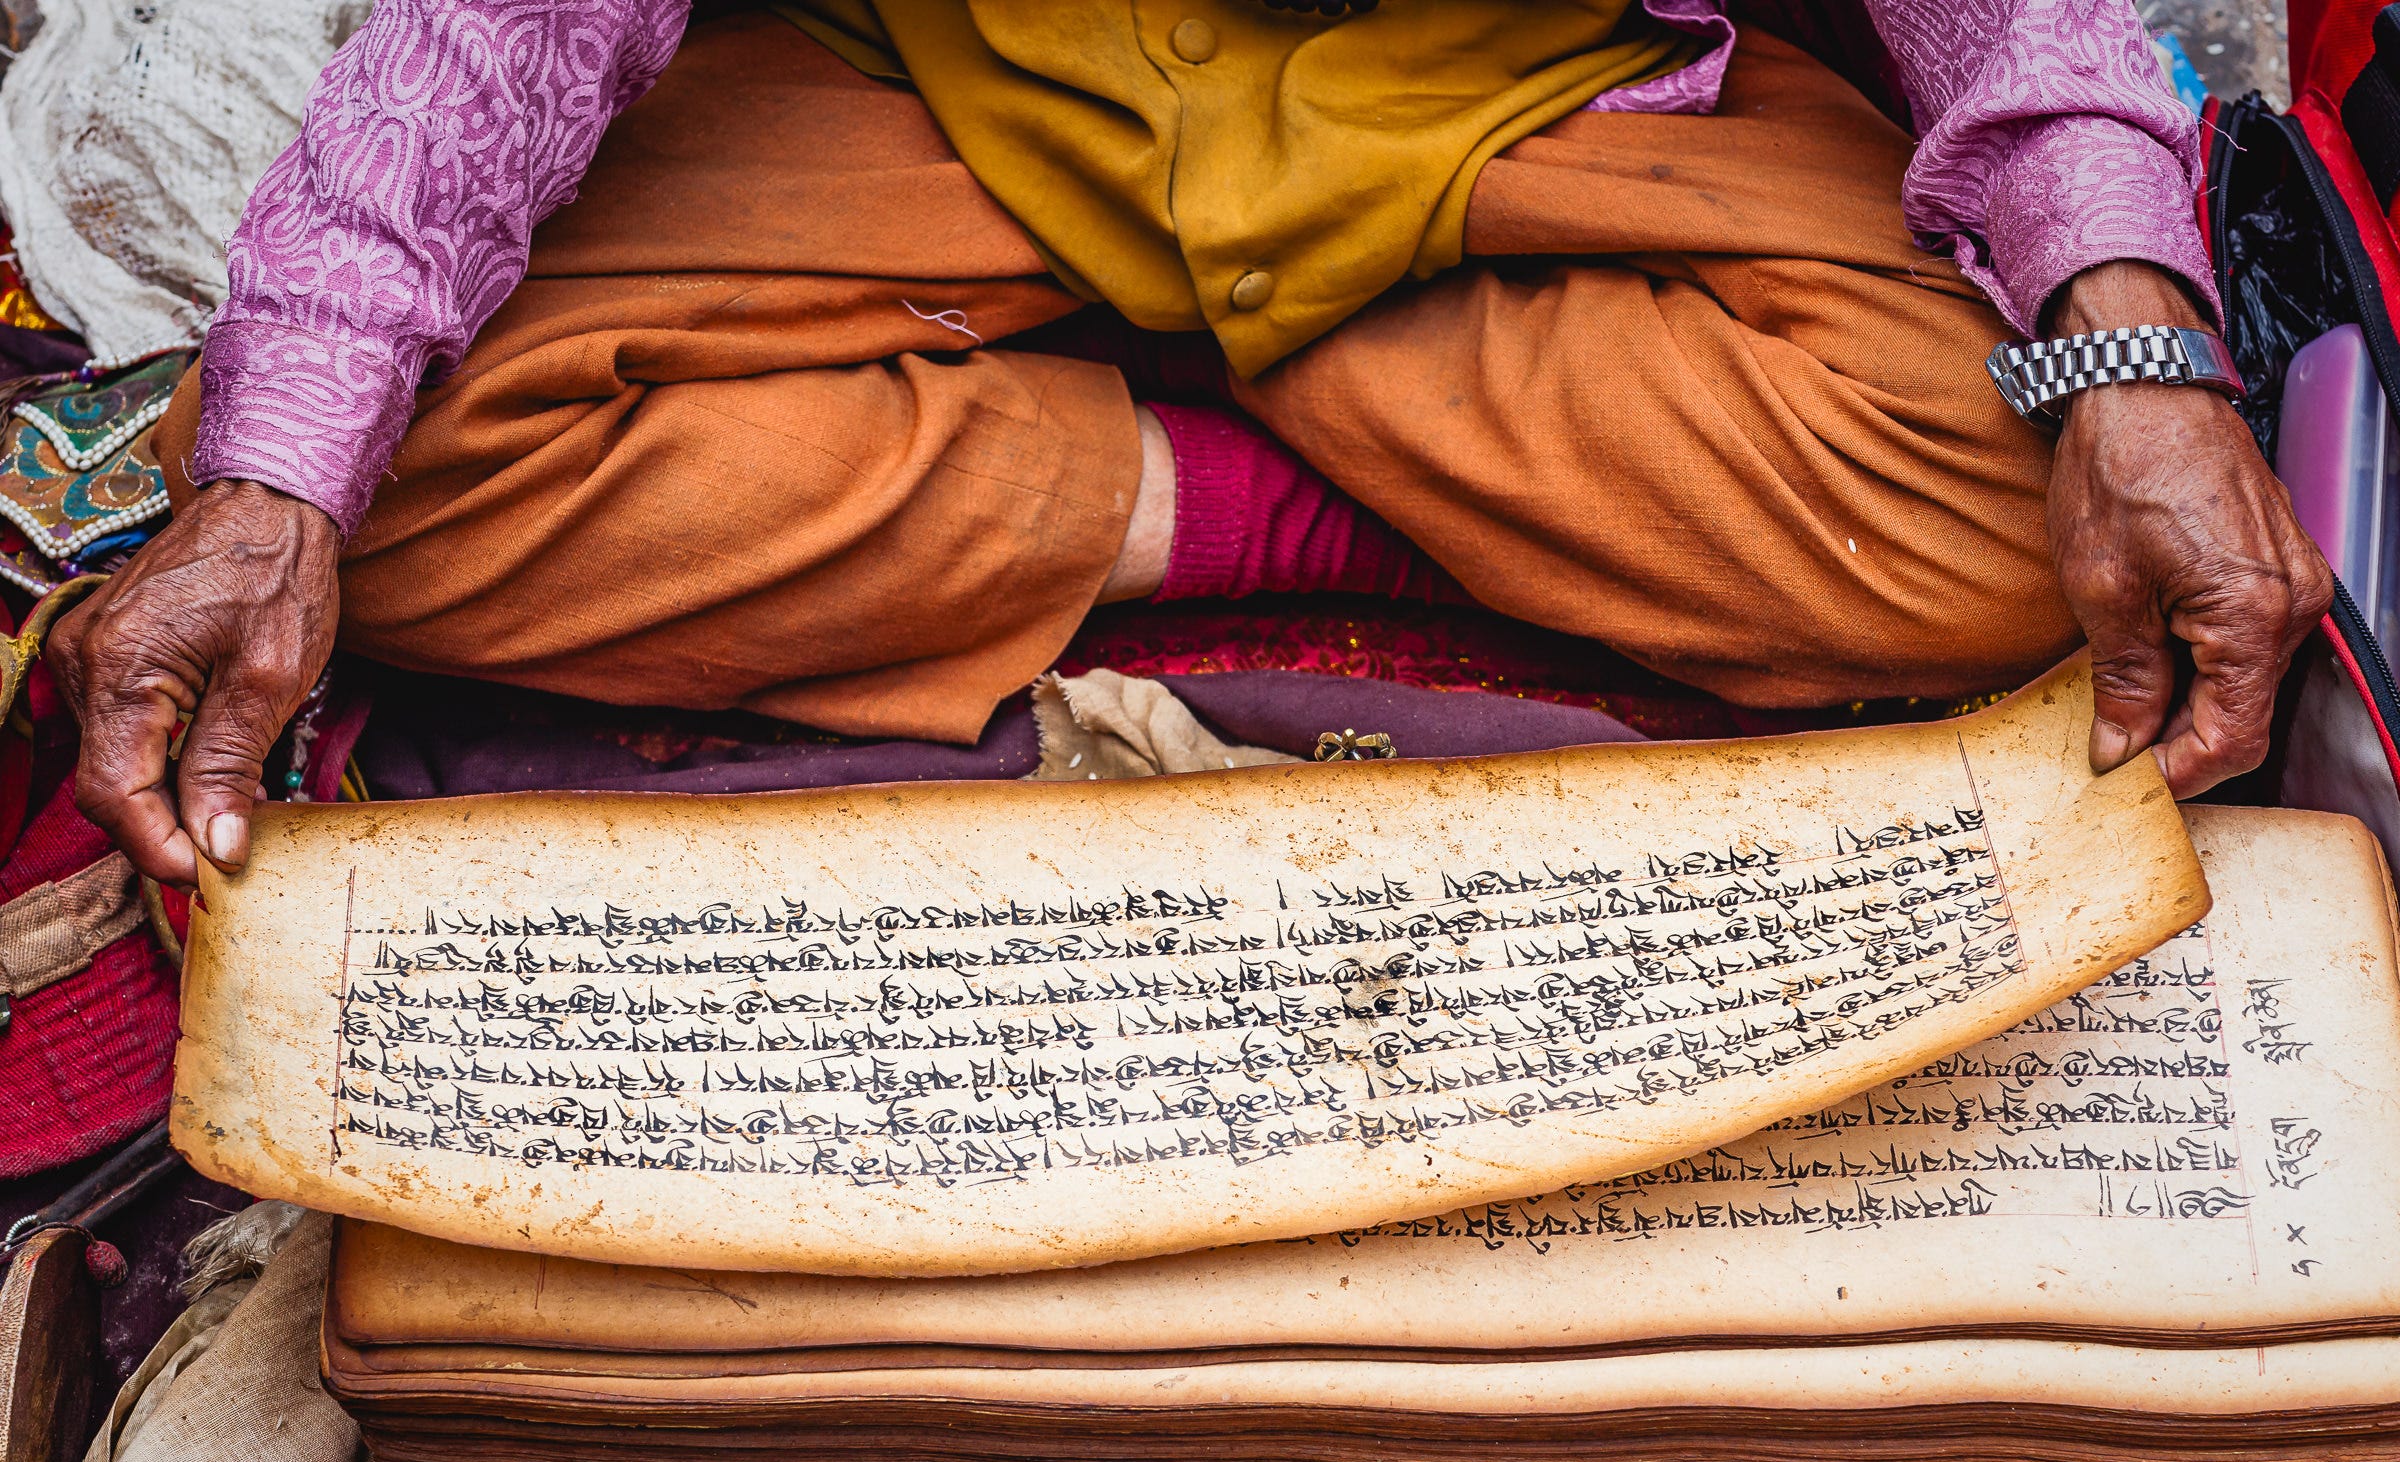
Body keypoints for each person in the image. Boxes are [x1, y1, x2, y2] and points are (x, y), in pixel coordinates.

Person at [50, 0, 2329, 886]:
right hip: (960, 82)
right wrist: (283, 485)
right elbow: (510, 23)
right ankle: (1315, 489)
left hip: (1507, 110)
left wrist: (2128, 354)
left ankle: (1145, 445)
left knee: (2001, 507)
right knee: (410, 489)